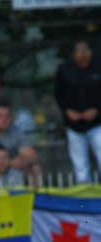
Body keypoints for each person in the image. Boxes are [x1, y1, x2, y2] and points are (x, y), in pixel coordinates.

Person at [54, 40, 101, 184]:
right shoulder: (65, 69)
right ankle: (85, 198)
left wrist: (97, 110)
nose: (83, 62)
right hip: (74, 125)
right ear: (74, 55)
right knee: (80, 166)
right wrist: (67, 111)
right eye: (80, 58)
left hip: (97, 123)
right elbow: (58, 94)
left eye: (86, 57)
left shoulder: (98, 67)